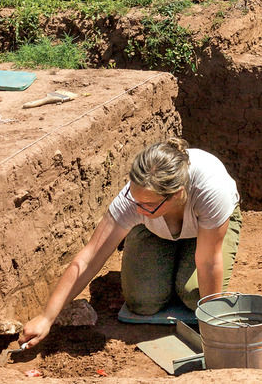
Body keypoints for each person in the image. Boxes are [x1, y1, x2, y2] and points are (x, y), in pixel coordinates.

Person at [19, 138, 242, 348]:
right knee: (142, 302)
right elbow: (89, 258)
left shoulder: (211, 190)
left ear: (176, 194)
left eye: (147, 204)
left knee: (195, 297)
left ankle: (182, 262)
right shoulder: (137, 198)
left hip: (206, 232)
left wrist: (211, 326)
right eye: (135, 200)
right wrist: (46, 317)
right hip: (157, 231)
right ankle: (169, 262)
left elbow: (208, 263)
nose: (137, 210)